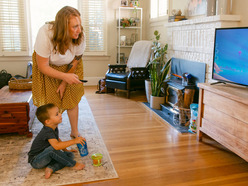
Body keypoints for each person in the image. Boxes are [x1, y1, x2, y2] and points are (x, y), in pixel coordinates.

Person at [32, 6, 86, 138]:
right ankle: (51, 136)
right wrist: (63, 77)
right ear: (63, 28)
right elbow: (43, 66)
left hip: (70, 66)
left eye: (79, 25)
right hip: (48, 67)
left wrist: (64, 82)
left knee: (72, 98)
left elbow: (77, 58)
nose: (79, 30)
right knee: (52, 102)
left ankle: (74, 131)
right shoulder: (45, 34)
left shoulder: (79, 35)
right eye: (74, 27)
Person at [28, 103, 86, 179]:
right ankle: (73, 165)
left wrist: (66, 150)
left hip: (47, 157)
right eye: (56, 114)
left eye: (58, 112)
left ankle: (51, 168)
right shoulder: (47, 131)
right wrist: (75, 141)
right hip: (36, 161)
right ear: (48, 121)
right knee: (53, 149)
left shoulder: (53, 127)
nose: (60, 114)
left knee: (69, 155)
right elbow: (56, 146)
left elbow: (57, 139)